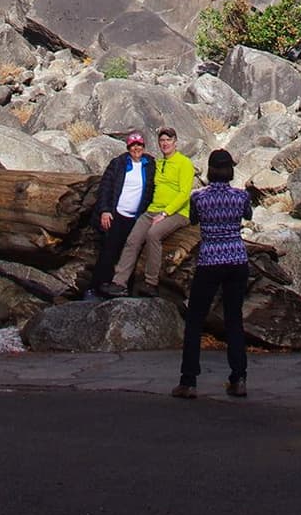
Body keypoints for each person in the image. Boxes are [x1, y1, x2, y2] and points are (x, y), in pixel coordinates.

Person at [172, 148, 251, 400]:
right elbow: (248, 214)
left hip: (210, 259)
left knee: (195, 319)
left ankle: (188, 380)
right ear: (230, 170)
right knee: (234, 319)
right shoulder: (241, 196)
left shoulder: (199, 197)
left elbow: (194, 220)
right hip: (236, 258)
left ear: (210, 170)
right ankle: (238, 378)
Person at [107, 126, 195, 295]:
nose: (165, 143)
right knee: (133, 239)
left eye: (168, 140)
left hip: (177, 213)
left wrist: (165, 213)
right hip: (152, 210)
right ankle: (119, 283)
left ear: (175, 142)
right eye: (162, 140)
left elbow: (184, 194)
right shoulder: (158, 163)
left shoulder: (184, 163)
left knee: (153, 234)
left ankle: (151, 282)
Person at [89, 131, 154, 295]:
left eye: (139, 145)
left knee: (129, 253)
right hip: (117, 215)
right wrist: (105, 210)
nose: (136, 149)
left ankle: (122, 288)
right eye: (133, 146)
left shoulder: (150, 164)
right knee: (109, 252)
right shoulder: (118, 163)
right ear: (128, 147)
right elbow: (105, 187)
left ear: (144, 146)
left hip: (136, 217)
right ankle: (97, 288)